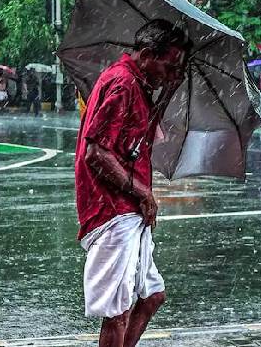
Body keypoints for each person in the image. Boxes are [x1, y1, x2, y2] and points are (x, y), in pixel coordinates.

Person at [75, 19, 188, 347]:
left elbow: (141, 137)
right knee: (118, 311)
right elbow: (95, 153)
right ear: (149, 55)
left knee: (152, 296)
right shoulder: (123, 83)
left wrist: (168, 90)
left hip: (128, 210)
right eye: (168, 66)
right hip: (113, 209)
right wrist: (143, 193)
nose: (170, 73)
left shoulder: (137, 85)